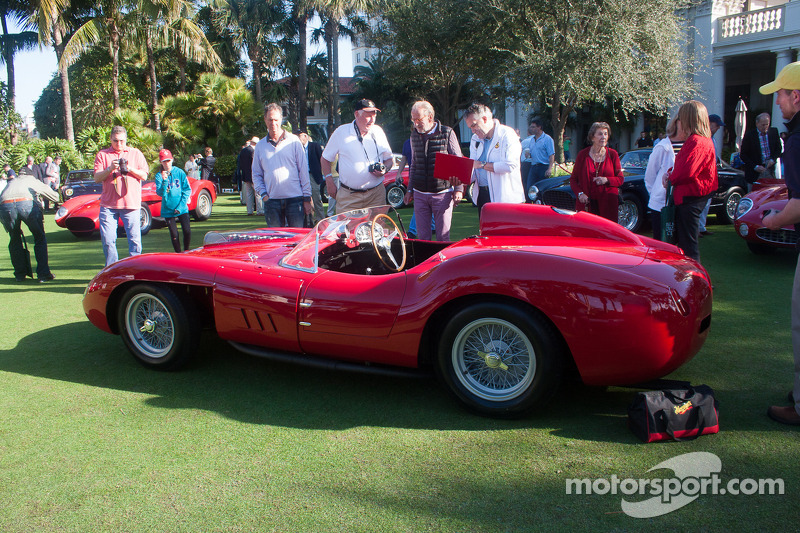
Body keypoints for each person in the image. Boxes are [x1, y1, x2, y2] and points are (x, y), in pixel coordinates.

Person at [761, 61, 800, 425]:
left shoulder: (798, 139)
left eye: (782, 95)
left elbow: (799, 204)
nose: (779, 103)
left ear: (797, 97)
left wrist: (773, 219)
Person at [661, 101, 718, 262]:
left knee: (688, 245)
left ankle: (694, 280)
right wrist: (671, 174)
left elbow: (687, 171)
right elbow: (685, 166)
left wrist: (671, 178)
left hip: (691, 197)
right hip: (693, 195)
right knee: (686, 242)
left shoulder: (697, 141)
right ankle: (688, 278)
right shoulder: (702, 140)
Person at [403, 100, 463, 241]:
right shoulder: (414, 136)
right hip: (419, 194)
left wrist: (459, 188)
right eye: (413, 119)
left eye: (418, 119)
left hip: (442, 194)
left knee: (442, 237)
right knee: (423, 238)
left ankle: (442, 264)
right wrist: (410, 190)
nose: (415, 123)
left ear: (430, 117)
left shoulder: (447, 132)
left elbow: (458, 161)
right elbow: (414, 164)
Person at [321, 98, 394, 214]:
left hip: (376, 195)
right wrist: (329, 182)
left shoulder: (378, 131)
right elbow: (325, 159)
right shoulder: (341, 132)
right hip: (349, 197)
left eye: (374, 115)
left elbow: (389, 160)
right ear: (356, 114)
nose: (372, 120)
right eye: (368, 116)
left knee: (377, 230)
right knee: (345, 231)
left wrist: (384, 169)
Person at [93, 125, 149, 266]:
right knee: (108, 239)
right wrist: (110, 168)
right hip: (108, 205)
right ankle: (112, 268)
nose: (119, 144)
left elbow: (144, 175)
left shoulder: (135, 153)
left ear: (126, 140)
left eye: (122, 141)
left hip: (131, 204)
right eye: (115, 141)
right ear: (110, 139)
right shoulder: (102, 155)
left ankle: (135, 268)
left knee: (134, 239)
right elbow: (97, 178)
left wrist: (129, 169)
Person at [252, 103, 312, 227]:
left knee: (297, 241)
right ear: (265, 120)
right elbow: (256, 174)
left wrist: (307, 198)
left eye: (276, 120)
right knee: (276, 241)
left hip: (295, 200)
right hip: (271, 202)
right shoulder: (260, 146)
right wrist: (264, 195)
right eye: (270, 120)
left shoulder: (294, 141)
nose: (273, 123)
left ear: (281, 119)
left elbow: (303, 171)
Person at [466, 103, 525, 218]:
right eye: (470, 127)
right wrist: (461, 178)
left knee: (505, 234)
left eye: (474, 125)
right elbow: (473, 166)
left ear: (484, 119)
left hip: (506, 197)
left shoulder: (507, 134)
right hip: (483, 195)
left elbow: (510, 165)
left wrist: (482, 165)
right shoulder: (475, 139)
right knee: (485, 234)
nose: (473, 131)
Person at [0, 171, 59, 282]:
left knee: (14, 239)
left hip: (5, 205)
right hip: (26, 203)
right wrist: (57, 196)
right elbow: (53, 196)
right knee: (39, 238)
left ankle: (19, 274)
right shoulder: (32, 180)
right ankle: (43, 274)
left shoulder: (11, 182)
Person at [570, 122, 624, 222]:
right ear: (592, 137)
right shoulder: (583, 155)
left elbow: (620, 179)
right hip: (586, 204)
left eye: (606, 134)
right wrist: (580, 193)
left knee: (606, 234)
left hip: (607, 205)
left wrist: (606, 180)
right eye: (600, 134)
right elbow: (573, 180)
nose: (603, 137)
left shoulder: (613, 154)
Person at [644, 117, 679, 240]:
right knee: (661, 240)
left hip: (681, 203)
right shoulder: (662, 147)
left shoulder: (690, 145)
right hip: (660, 203)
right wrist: (656, 194)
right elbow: (650, 175)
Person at [155, 149, 192, 253]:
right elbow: (160, 193)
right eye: (164, 161)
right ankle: (178, 254)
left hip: (182, 207)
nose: (166, 163)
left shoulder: (179, 172)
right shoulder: (159, 176)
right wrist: (165, 180)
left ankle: (186, 251)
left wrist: (180, 207)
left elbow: (187, 189)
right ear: (160, 162)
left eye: (168, 160)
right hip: (168, 209)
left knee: (187, 231)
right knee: (174, 235)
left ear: (172, 160)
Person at [740, 112, 783, 184]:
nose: (765, 127)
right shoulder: (750, 135)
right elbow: (743, 155)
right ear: (757, 124)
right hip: (755, 172)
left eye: (767, 124)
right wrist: (755, 167)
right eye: (763, 125)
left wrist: (773, 159)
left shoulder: (774, 132)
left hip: (770, 169)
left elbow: (778, 149)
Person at [297, 130, 324, 223]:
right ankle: (309, 220)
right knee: (305, 198)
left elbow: (321, 159)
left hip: (313, 176)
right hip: (301, 176)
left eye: (299, 136)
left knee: (316, 198)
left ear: (305, 136)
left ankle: (321, 219)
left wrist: (321, 173)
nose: (298, 138)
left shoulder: (314, 146)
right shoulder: (297, 147)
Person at [525, 117, 555, 196]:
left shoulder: (547, 139)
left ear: (539, 127)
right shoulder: (532, 140)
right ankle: (530, 205)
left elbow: (551, 155)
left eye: (533, 127)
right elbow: (533, 153)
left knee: (542, 189)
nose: (531, 129)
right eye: (531, 127)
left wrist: (549, 169)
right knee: (529, 187)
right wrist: (529, 155)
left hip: (543, 167)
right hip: (534, 166)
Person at [239, 137, 262, 216]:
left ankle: (249, 211)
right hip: (253, 175)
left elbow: (240, 163)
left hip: (246, 175)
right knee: (257, 193)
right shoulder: (253, 151)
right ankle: (260, 210)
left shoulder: (243, 151)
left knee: (249, 194)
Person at [519, 122, 536, 188]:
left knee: (525, 181)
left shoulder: (526, 141)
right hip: (535, 163)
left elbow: (518, 150)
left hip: (526, 164)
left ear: (528, 133)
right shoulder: (537, 140)